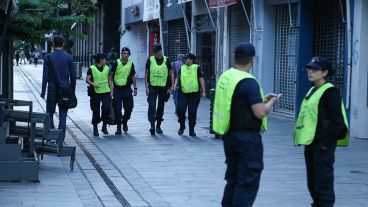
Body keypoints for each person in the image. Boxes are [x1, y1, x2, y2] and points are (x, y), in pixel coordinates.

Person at [212, 42, 281, 207]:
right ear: (252, 60)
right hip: (247, 139)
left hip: (230, 136)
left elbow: (235, 101)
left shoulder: (227, 76)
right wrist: (271, 102)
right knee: (247, 182)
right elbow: (260, 113)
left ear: (235, 57)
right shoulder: (249, 82)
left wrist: (261, 100)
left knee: (233, 180)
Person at [294, 56, 349, 207]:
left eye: (314, 69)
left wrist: (325, 144)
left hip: (323, 146)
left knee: (323, 183)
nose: (310, 72)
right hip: (311, 143)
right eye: (309, 69)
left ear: (325, 72)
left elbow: (337, 121)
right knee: (312, 182)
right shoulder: (313, 90)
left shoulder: (331, 92)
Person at [41, 35, 76, 138]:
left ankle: (51, 137)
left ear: (53, 44)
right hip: (65, 90)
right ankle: (60, 138)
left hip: (52, 89)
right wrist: (72, 90)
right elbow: (73, 76)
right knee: (63, 115)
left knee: (50, 114)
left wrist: (43, 91)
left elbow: (45, 76)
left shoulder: (48, 57)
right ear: (63, 44)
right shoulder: (69, 57)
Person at [144, 43, 175, 135]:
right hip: (152, 87)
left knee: (161, 107)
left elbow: (171, 72)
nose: (155, 54)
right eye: (154, 52)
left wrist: (172, 85)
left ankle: (158, 126)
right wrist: (146, 87)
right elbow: (146, 73)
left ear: (161, 51)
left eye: (157, 52)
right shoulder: (150, 60)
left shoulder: (166, 60)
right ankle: (152, 125)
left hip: (163, 87)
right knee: (152, 106)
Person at [176, 53, 206, 137]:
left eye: (186, 58)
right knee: (180, 110)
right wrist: (174, 86)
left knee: (192, 113)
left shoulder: (197, 68)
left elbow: (201, 79)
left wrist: (203, 92)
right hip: (183, 93)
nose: (184, 60)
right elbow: (178, 78)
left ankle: (191, 130)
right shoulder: (181, 68)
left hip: (194, 94)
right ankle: (182, 126)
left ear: (191, 60)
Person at [110, 47, 137, 135]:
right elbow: (111, 76)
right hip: (117, 89)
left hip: (127, 89)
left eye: (127, 54)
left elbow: (133, 76)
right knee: (117, 110)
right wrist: (111, 89)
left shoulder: (131, 64)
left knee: (129, 108)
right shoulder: (116, 63)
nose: (125, 55)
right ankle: (118, 128)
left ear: (129, 55)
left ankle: (124, 121)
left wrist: (135, 88)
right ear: (121, 54)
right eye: (124, 53)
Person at [86, 53, 112, 136]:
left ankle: (104, 126)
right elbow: (87, 80)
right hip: (95, 93)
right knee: (96, 111)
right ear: (101, 60)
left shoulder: (107, 68)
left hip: (106, 92)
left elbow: (109, 80)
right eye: (105, 59)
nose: (106, 61)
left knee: (107, 108)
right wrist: (94, 84)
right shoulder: (92, 68)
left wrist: (112, 91)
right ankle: (95, 128)